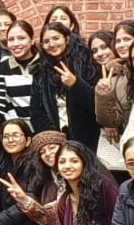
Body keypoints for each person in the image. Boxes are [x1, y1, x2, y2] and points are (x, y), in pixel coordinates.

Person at [30, 22, 101, 150]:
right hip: (56, 140)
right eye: (46, 41)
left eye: (56, 38)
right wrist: (53, 136)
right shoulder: (40, 71)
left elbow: (96, 104)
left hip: (87, 138)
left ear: (67, 39)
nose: (52, 44)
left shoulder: (86, 63)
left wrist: (75, 84)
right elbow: (36, 111)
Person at [87, 30, 126, 173]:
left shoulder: (127, 71)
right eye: (95, 50)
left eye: (104, 47)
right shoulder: (92, 74)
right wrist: (105, 123)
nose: (100, 53)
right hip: (110, 143)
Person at [1, 21, 40, 127]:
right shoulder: (1, 69)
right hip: (17, 129)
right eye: (11, 39)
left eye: (21, 38)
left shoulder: (45, 64)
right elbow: (4, 103)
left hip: (47, 128)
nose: (16, 44)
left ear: (32, 40)